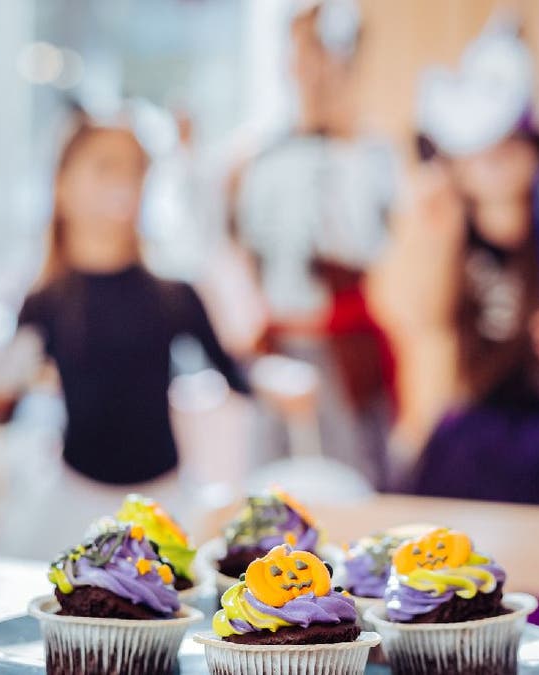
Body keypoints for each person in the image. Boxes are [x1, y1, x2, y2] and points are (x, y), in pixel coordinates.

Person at [369, 20, 539, 509]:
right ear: (455, 164)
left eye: (510, 145)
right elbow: (415, 313)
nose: (495, 160)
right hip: (466, 431)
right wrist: (431, 231)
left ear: (538, 156)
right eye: (480, 151)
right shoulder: (448, 235)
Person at [0, 112, 250, 487]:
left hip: (165, 499)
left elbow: (239, 380)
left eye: (136, 169)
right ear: (62, 185)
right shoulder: (44, 304)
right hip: (75, 496)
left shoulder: (176, 297)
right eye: (106, 168)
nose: (125, 183)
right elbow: (3, 410)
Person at [227, 0, 397, 487]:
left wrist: (341, 136)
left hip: (341, 352)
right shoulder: (259, 155)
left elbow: (361, 243)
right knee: (268, 494)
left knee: (349, 485)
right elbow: (239, 247)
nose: (311, 67)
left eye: (323, 53)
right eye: (303, 52)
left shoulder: (369, 153)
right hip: (277, 345)